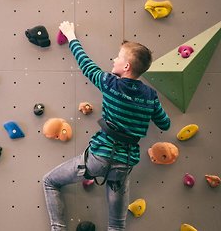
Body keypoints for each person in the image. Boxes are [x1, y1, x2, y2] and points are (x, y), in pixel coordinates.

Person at [43, 21, 171, 231]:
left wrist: (70, 35)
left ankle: (58, 229)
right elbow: (164, 124)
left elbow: (86, 64)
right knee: (117, 225)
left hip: (97, 158)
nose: (114, 59)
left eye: (119, 57)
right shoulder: (150, 96)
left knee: (49, 181)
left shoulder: (110, 83)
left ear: (127, 66)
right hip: (124, 165)